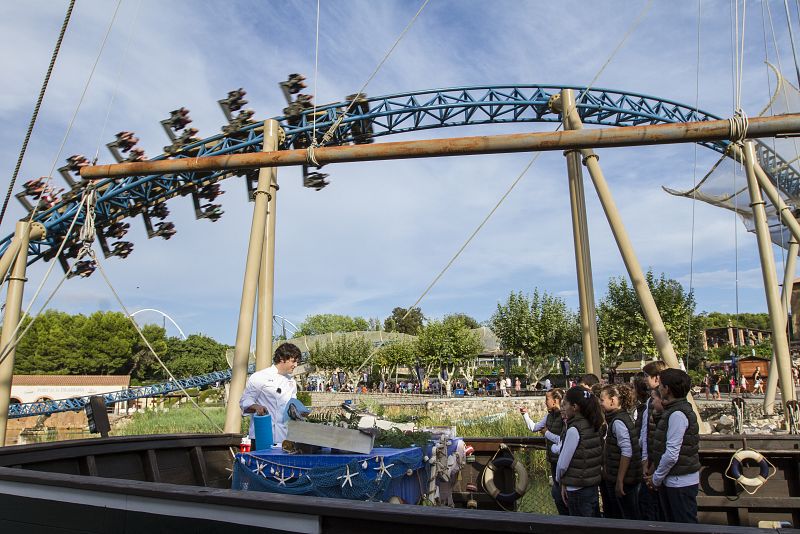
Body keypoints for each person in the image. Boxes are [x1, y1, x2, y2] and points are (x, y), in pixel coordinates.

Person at [645, 368, 700, 524]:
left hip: (679, 481)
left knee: (683, 524)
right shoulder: (676, 410)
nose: (659, 388)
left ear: (667, 389)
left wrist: (656, 478)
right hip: (676, 478)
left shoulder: (677, 414)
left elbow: (671, 453)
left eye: (661, 385)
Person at [240, 343, 300, 449]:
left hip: (284, 438)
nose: (296, 365)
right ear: (282, 358)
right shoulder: (260, 377)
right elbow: (245, 400)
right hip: (262, 435)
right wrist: (256, 407)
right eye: (293, 361)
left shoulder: (291, 382)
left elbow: (293, 405)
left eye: (297, 362)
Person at [554, 386, 604, 517]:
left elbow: (562, 464)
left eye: (566, 404)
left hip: (576, 489)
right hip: (591, 484)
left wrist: (560, 480)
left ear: (574, 407)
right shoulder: (592, 423)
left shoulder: (574, 429)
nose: (563, 408)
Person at [521, 389, 568, 515]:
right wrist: (525, 415)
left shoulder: (564, 417)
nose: (545, 402)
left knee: (561, 493)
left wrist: (546, 433)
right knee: (558, 492)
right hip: (553, 459)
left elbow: (562, 440)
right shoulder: (549, 416)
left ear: (555, 401)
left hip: (562, 461)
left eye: (547, 399)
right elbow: (534, 427)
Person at [599, 384, 641, 520]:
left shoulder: (618, 422)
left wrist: (619, 480)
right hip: (622, 476)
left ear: (612, 400)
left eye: (602, 400)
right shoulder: (621, 418)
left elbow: (627, 451)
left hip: (624, 479)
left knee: (626, 515)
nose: (600, 403)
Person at [638, 360, 667, 521]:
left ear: (656, 378)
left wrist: (654, 466)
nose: (644, 380)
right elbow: (645, 432)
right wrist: (644, 459)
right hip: (650, 460)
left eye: (646, 376)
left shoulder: (662, 402)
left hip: (657, 464)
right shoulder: (650, 401)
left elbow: (662, 439)